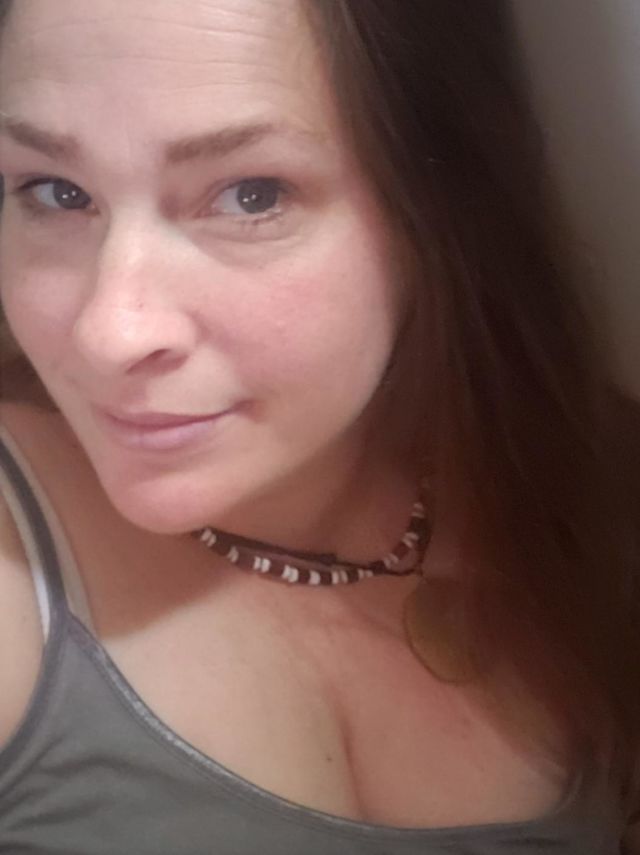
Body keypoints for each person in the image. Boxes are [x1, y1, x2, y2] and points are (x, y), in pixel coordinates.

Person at [0, 0, 638, 852]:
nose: (108, 333)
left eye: (251, 195)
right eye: (55, 191)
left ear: (436, 215)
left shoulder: (577, 488)